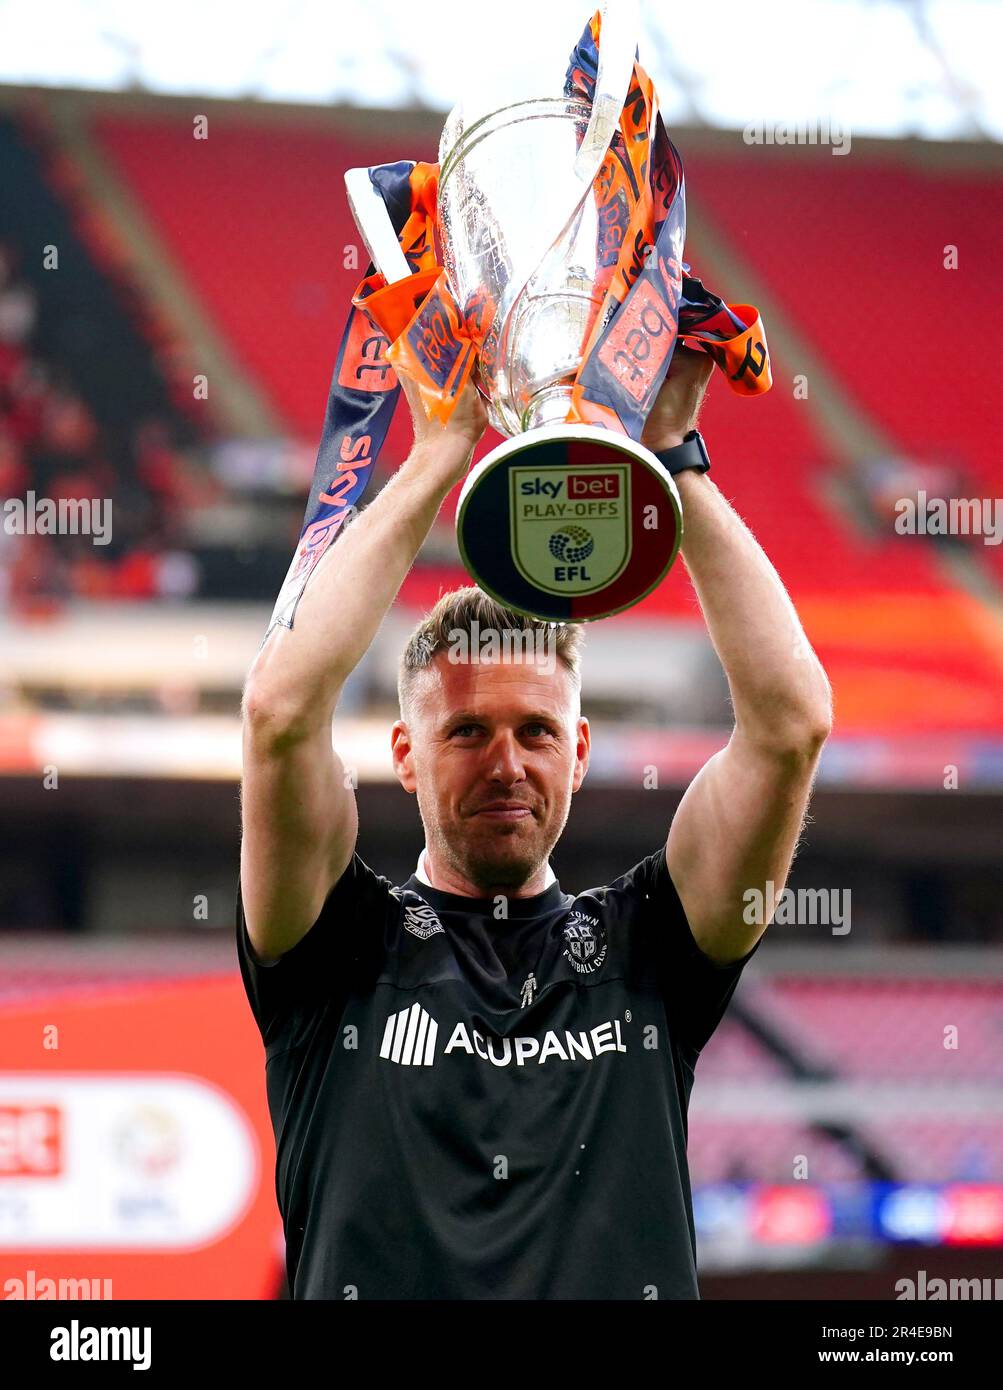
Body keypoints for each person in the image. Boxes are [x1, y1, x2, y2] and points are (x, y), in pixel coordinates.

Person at [236, 345, 833, 1299]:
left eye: (536, 731)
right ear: (402, 756)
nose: (506, 763)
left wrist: (673, 458)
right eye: (466, 730)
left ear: (581, 750)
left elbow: (790, 726)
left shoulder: (650, 949)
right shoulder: (334, 945)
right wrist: (441, 453)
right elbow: (279, 712)